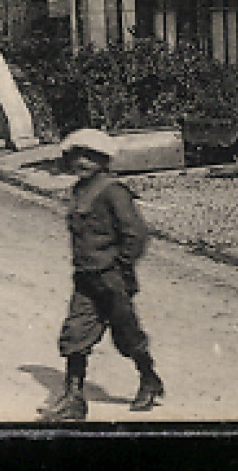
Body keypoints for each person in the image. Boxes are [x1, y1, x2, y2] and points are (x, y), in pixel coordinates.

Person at [38, 129, 165, 422]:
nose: (82, 162)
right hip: (85, 278)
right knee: (74, 335)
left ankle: (149, 379)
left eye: (90, 157)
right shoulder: (79, 191)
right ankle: (74, 399)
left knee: (127, 336)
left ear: (103, 160)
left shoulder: (112, 191)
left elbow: (136, 234)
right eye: (77, 156)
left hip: (111, 277)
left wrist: (120, 266)